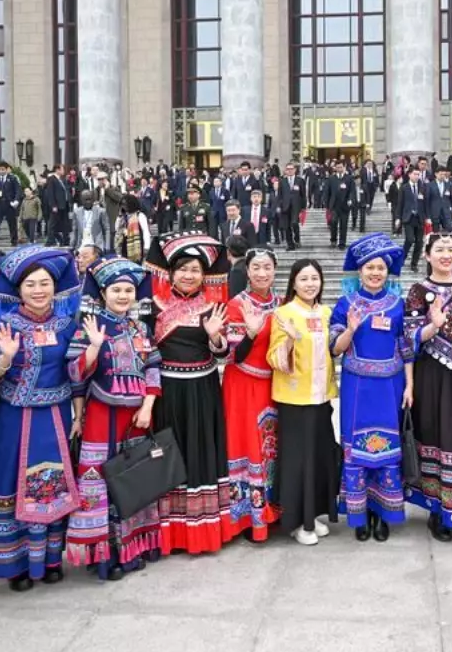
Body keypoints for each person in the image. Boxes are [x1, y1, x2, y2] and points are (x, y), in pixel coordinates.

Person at [0, 246, 82, 591]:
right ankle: (16, 564)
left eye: (45, 284)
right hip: (13, 417)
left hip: (54, 415)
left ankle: (51, 558)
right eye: (30, 285)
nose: (39, 291)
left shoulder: (68, 323)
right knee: (12, 481)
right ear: (18, 290)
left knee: (52, 483)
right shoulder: (3, 325)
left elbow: (78, 370)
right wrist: (4, 359)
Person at [65, 257, 163, 580]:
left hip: (135, 416)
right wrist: (93, 348)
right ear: (103, 292)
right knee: (100, 479)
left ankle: (133, 546)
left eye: (128, 290)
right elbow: (76, 374)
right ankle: (105, 553)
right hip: (100, 414)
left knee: (133, 477)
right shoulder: (89, 326)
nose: (123, 295)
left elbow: (152, 368)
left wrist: (148, 406)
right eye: (116, 289)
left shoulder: (140, 328)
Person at [144, 231, 233, 555]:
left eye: (195, 270)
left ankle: (202, 531)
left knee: (199, 454)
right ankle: (167, 534)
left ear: (203, 275)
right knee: (168, 458)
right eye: (183, 269)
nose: (189, 275)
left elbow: (223, 352)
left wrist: (215, 338)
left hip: (203, 392)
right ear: (171, 272)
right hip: (166, 392)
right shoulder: (152, 305)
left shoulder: (213, 307)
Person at [331, 234, 412, 541]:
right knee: (357, 452)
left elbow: (407, 349)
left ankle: (384, 513)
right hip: (357, 388)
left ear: (387, 272)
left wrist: (410, 385)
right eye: (369, 267)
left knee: (388, 452)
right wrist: (351, 328)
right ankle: (359, 513)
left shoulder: (398, 305)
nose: (375, 273)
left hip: (391, 386)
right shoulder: (346, 303)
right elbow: (336, 348)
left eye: (380, 268)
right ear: (360, 271)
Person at [403, 233, 452, 541]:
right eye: (439, 250)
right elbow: (409, 339)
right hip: (432, 374)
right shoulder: (418, 290)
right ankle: (437, 509)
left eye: (451, 249)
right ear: (427, 255)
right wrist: (433, 325)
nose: (446, 254)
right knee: (435, 435)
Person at [269, 259, 340, 545]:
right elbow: (274, 358)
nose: (310, 284)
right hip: (294, 401)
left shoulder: (326, 312)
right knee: (299, 462)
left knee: (320, 458)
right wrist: (289, 340)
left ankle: (316, 514)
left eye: (314, 278)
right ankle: (298, 520)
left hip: (321, 397)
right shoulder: (283, 314)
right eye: (304, 279)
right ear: (293, 283)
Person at [221, 247, 282, 544]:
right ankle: (247, 516)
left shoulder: (282, 304)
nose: (262, 273)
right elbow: (233, 355)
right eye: (256, 267)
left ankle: (273, 509)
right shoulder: (237, 304)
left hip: (273, 386)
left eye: (267, 267)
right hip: (242, 385)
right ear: (247, 271)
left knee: (271, 447)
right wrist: (252, 333)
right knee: (245, 446)